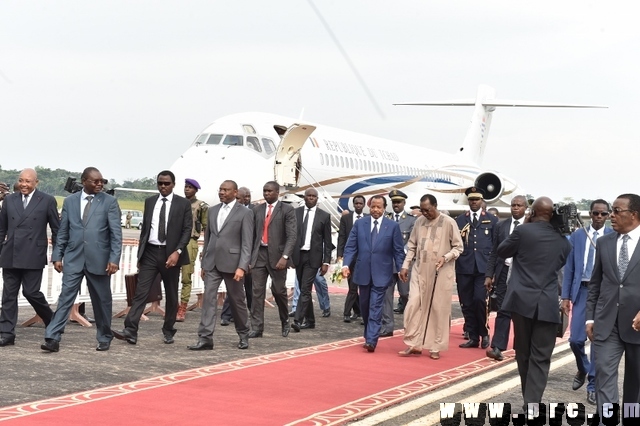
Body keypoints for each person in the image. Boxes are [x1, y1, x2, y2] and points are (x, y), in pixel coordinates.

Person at [497, 196, 571, 410]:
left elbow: (503, 251)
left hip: (521, 302)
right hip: (547, 303)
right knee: (541, 356)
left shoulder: (523, 231)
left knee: (523, 352)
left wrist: (526, 226)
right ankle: (532, 403)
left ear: (533, 212)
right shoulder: (563, 241)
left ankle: (528, 399)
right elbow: (561, 262)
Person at [42, 167, 122, 352]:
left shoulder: (109, 202)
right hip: (73, 258)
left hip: (100, 260)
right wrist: (57, 256)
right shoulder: (70, 201)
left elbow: (116, 233)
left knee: (102, 301)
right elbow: (63, 231)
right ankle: (52, 337)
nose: (100, 184)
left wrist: (114, 259)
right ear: (84, 180)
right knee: (65, 299)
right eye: (96, 181)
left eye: (102, 181)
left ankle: (104, 336)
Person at [113, 170, 192, 345]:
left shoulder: (182, 204)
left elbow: (187, 230)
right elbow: (145, 230)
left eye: (166, 183)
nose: (163, 186)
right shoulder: (150, 202)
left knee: (171, 294)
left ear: (173, 184)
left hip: (171, 255)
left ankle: (168, 330)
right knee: (140, 292)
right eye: (160, 183)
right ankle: (130, 330)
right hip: (150, 252)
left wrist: (177, 252)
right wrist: (140, 255)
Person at [587, 193, 640, 421]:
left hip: (637, 325)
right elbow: (596, 284)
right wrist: (590, 318)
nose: (611, 216)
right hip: (607, 324)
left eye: (617, 211)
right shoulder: (604, 242)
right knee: (604, 375)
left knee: (635, 384)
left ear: (634, 215)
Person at [188, 180, 253, 350]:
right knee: (208, 300)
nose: (222, 192)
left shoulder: (245, 213)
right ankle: (205, 338)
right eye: (221, 189)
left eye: (226, 190)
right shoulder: (212, 210)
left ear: (235, 192)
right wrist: (204, 263)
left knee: (237, 301)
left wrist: (242, 266)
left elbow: (247, 243)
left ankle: (243, 333)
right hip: (212, 264)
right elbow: (209, 238)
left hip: (233, 265)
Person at [398, 194, 463, 359]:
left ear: (435, 206)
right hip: (420, 271)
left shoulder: (449, 222)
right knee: (413, 304)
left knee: (437, 309)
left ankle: (435, 346)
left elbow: (458, 247)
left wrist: (446, 257)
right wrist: (405, 266)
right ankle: (415, 344)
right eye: (422, 210)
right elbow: (411, 246)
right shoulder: (419, 222)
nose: (425, 213)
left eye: (427, 210)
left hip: (440, 272)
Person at [0, 168, 59, 346]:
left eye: (28, 181)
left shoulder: (47, 200)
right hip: (10, 253)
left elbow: (57, 230)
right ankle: (6, 333)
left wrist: (57, 255)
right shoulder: (9, 200)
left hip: (34, 253)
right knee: (8, 295)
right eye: (21, 181)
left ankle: (53, 321)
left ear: (36, 183)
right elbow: (1, 229)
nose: (24, 184)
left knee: (31, 292)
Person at [562, 199, 611, 406]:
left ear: (608, 215)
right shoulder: (578, 236)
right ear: (590, 214)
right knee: (576, 340)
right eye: (595, 213)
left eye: (603, 214)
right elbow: (569, 269)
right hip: (582, 291)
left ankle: (592, 385)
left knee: (598, 342)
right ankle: (583, 367)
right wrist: (565, 296)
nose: (599, 217)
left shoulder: (612, 237)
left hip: (604, 294)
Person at [342, 195, 405, 352]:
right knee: (365, 306)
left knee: (376, 306)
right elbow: (350, 246)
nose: (375, 210)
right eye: (373, 207)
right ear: (369, 208)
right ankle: (368, 335)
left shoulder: (392, 226)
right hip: (363, 272)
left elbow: (398, 251)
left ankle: (371, 340)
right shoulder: (359, 224)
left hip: (382, 273)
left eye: (379, 207)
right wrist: (345, 265)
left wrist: (402, 268)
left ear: (384, 208)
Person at [248, 181, 296, 338]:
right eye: (264, 191)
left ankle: (284, 321)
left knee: (278, 291)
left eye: (269, 191)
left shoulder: (287, 210)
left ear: (277, 192)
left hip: (278, 257)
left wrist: (285, 257)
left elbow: (292, 236)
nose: (266, 194)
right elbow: (252, 234)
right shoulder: (257, 210)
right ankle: (257, 328)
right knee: (256, 292)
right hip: (259, 255)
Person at [484, 195, 528, 362]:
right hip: (503, 272)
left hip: (522, 274)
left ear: (525, 208)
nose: (515, 208)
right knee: (502, 309)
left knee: (520, 312)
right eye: (513, 205)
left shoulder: (530, 225)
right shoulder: (501, 226)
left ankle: (520, 348)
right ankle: (497, 347)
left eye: (518, 205)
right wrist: (489, 275)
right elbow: (494, 251)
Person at [455, 187, 498, 349]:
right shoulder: (460, 220)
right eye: (471, 199)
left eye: (477, 199)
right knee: (466, 303)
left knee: (480, 301)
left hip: (483, 269)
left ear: (481, 201)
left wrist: (492, 271)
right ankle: (473, 337)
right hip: (464, 267)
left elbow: (496, 247)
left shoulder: (492, 220)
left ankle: (484, 333)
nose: (474, 202)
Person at [291, 188, 332, 332]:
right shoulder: (296, 213)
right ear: (304, 197)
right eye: (308, 196)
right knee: (304, 288)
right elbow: (291, 236)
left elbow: (328, 241)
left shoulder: (324, 216)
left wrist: (326, 261)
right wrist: (289, 256)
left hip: (313, 257)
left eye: (313, 196)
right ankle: (310, 320)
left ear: (317, 198)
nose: (311, 198)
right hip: (298, 256)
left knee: (305, 288)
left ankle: (298, 320)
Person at [177, 178, 208, 322]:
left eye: (190, 187)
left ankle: (182, 308)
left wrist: (207, 249)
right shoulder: (177, 203)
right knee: (171, 276)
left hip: (190, 241)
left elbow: (207, 228)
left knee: (186, 277)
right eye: (185, 187)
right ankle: (173, 306)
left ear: (196, 190)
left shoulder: (201, 206)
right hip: (175, 241)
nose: (186, 189)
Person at [384, 189, 416, 324]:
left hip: (404, 264)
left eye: (398, 202)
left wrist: (400, 251)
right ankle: (387, 325)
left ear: (404, 203)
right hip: (387, 264)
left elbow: (413, 240)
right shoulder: (386, 219)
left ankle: (411, 321)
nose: (396, 205)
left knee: (405, 294)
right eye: (394, 202)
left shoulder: (411, 220)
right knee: (387, 296)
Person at [337, 195, 366, 323]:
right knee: (352, 287)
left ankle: (355, 311)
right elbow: (341, 237)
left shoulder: (368, 219)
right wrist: (340, 254)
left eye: (360, 203)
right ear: (353, 205)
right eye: (356, 203)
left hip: (364, 258)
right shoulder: (346, 218)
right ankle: (348, 312)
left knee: (360, 287)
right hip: (350, 258)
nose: (358, 205)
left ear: (364, 205)